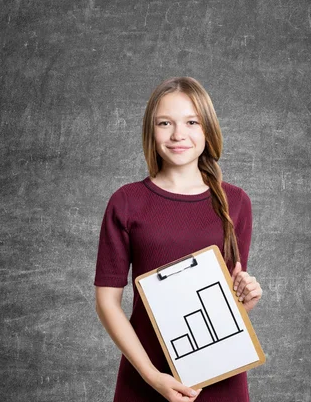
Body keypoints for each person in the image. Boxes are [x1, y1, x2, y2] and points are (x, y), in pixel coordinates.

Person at [94, 77, 262, 402]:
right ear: (151, 131)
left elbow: (222, 299)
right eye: (165, 123)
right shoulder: (126, 202)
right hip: (145, 375)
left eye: (191, 122)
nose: (177, 134)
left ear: (207, 130)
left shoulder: (236, 203)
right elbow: (106, 302)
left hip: (218, 375)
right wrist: (152, 376)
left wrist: (244, 302)